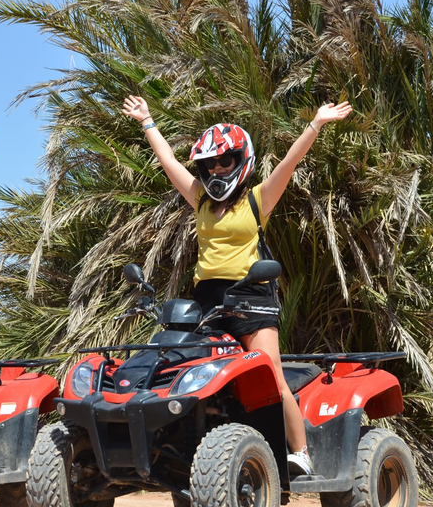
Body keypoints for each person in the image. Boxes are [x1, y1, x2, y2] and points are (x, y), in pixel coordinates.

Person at [122, 94, 352, 475]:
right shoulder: (198, 200)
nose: (215, 171)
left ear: (241, 161)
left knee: (272, 377)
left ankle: (301, 453)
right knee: (191, 375)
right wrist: (147, 121)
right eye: (208, 165)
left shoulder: (257, 201)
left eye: (223, 161)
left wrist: (317, 123)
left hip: (251, 297)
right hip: (205, 302)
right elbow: (168, 162)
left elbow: (289, 162)